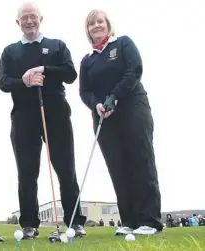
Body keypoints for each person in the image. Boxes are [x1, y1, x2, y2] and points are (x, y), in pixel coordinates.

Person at [0, 2, 87, 240]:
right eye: (24, 18)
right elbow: (3, 82)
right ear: (18, 22)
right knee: (27, 172)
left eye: (33, 17)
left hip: (55, 113)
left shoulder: (56, 46)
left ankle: (75, 222)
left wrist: (44, 69)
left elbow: (70, 73)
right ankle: (29, 224)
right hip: (23, 117)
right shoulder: (10, 51)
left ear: (40, 19)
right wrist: (24, 81)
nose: (29, 21)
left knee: (66, 168)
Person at [79, 9, 163, 236]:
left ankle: (150, 221)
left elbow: (134, 70)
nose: (96, 26)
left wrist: (114, 96)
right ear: (87, 30)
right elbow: (84, 91)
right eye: (91, 24)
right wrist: (96, 104)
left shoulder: (123, 44)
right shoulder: (87, 60)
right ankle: (130, 220)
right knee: (117, 167)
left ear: (107, 24)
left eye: (100, 21)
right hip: (104, 118)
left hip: (133, 109)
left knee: (140, 161)